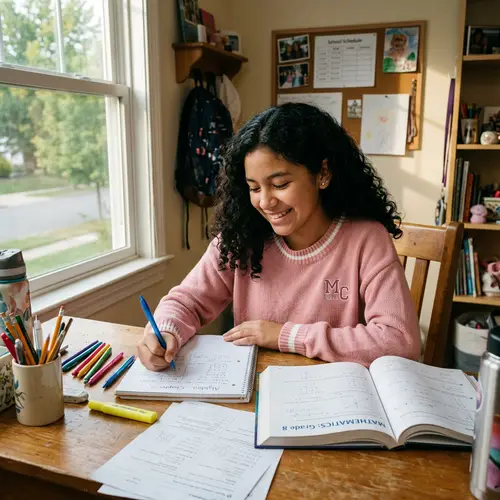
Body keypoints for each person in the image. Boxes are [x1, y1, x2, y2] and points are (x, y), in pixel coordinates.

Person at [137, 103, 421, 372]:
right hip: (257, 394)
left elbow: (399, 342)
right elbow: (186, 301)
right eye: (254, 188)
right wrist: (164, 330)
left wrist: (286, 336)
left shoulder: (366, 239)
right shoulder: (240, 239)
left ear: (322, 173)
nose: (266, 202)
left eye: (280, 184)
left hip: (337, 400)